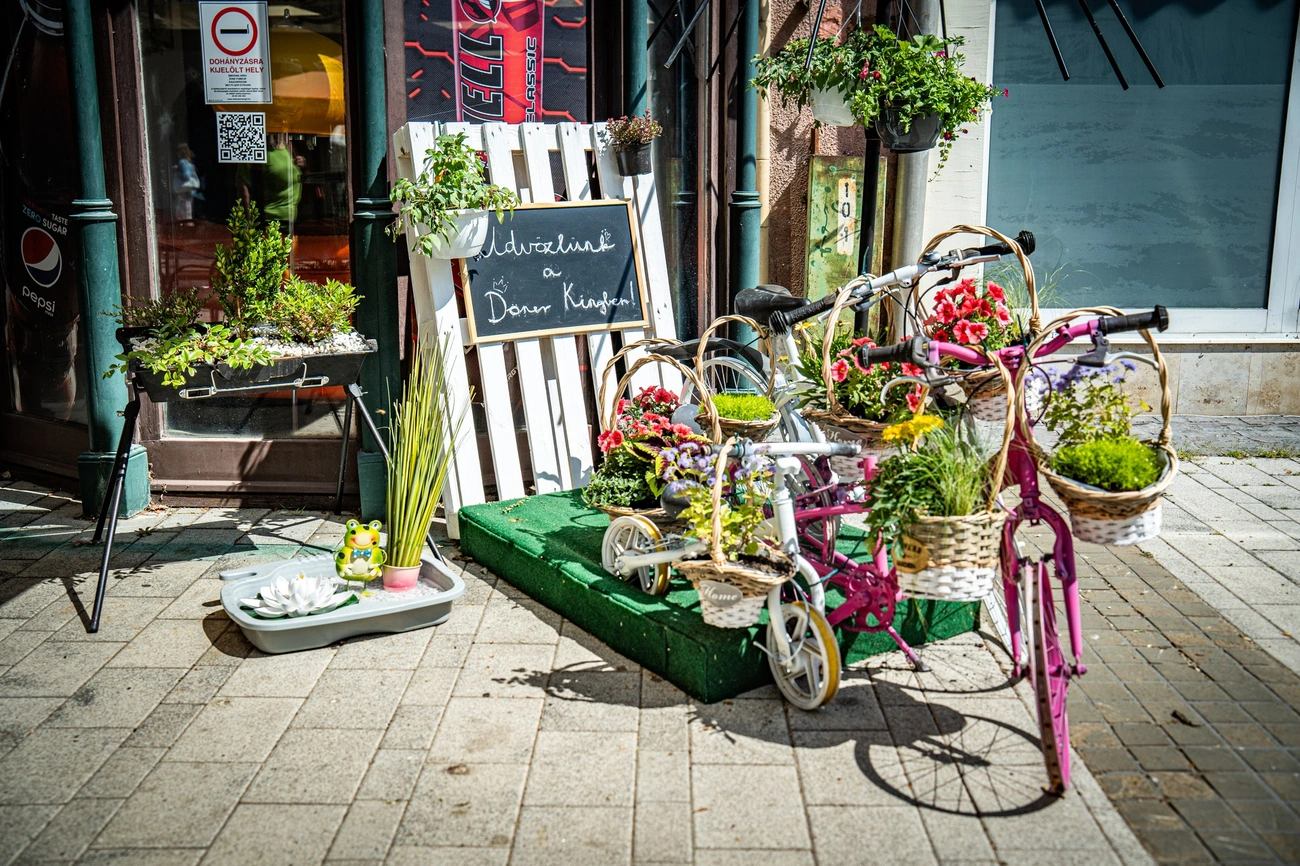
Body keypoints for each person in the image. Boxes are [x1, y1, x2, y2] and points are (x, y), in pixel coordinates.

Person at [171, 143, 201, 222]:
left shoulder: (182, 162)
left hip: (183, 193)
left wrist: (176, 170)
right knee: (188, 214)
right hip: (188, 193)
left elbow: (186, 176)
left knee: (181, 215)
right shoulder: (189, 163)